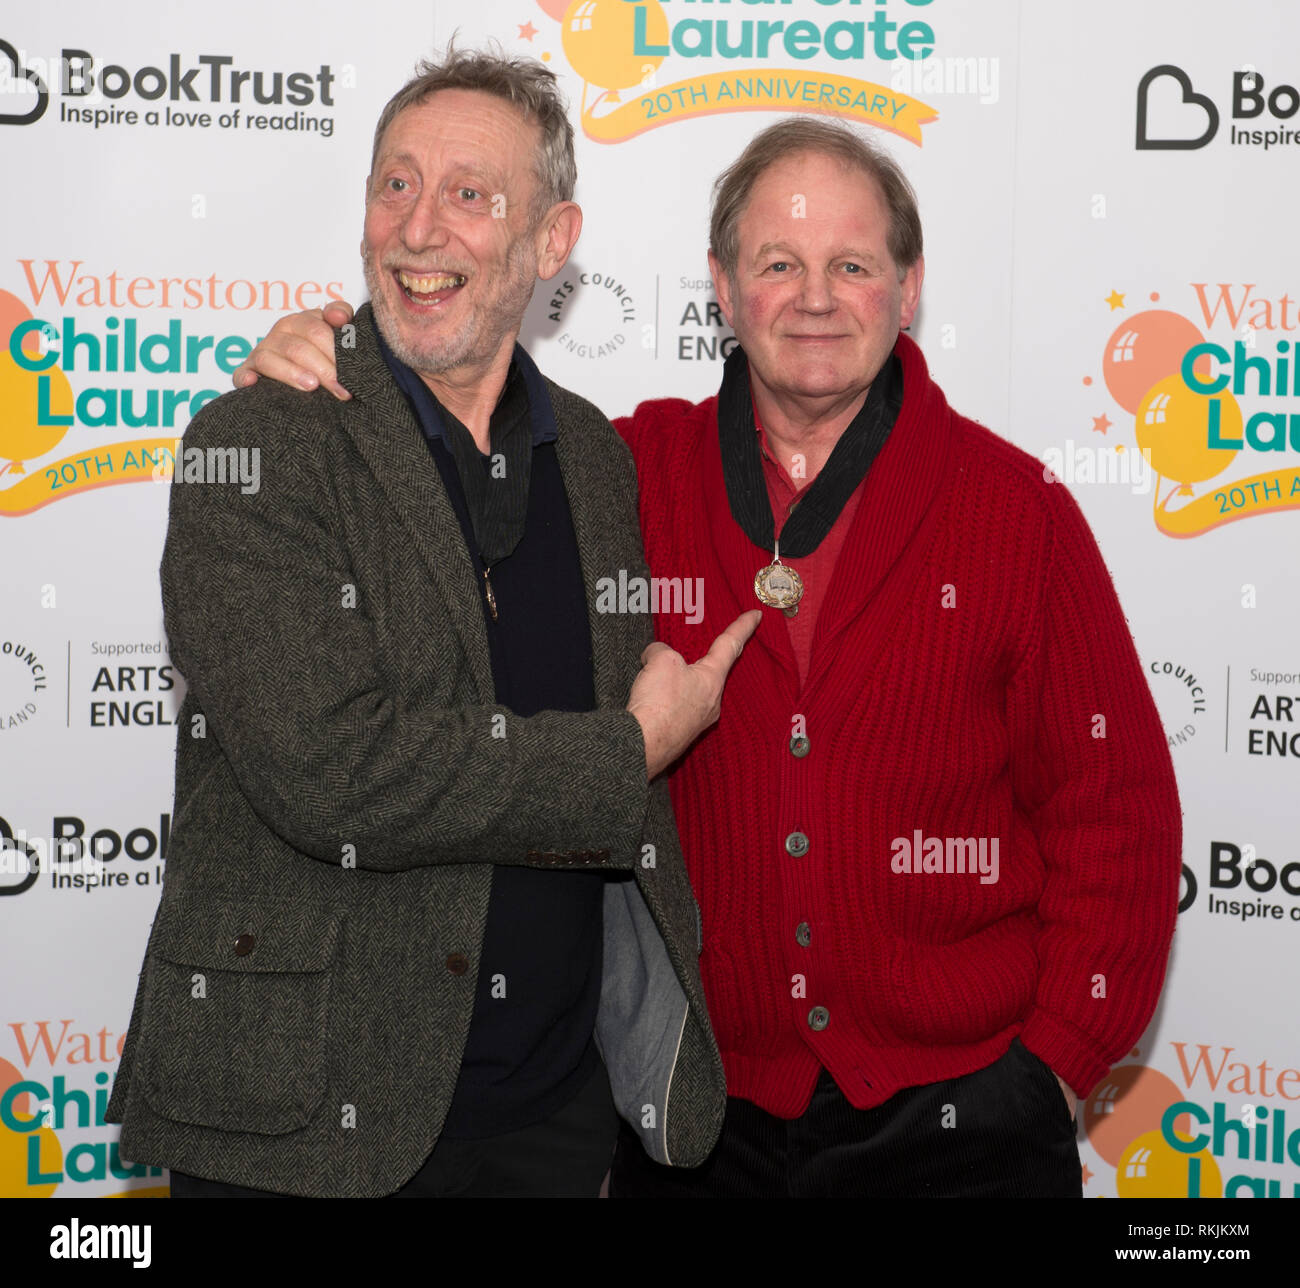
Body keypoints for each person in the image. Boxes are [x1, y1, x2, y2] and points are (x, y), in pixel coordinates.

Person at [238, 111, 1183, 1198]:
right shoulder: (614, 471)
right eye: (777, 263)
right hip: (692, 1115)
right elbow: (430, 493)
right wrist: (324, 364)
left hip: (963, 1118)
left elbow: (1117, 814)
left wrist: (1054, 1071)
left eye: (853, 265)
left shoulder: (1018, 513)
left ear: (908, 289)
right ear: (722, 291)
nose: (816, 297)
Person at [105, 47, 762, 1199]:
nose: (418, 229)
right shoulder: (258, 443)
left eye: (469, 194)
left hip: (554, 1117)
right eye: (393, 184)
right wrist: (631, 751)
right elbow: (337, 771)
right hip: (306, 1126)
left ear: (552, 242)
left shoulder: (597, 459)